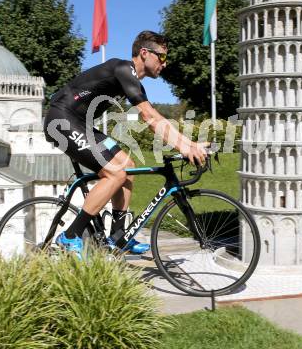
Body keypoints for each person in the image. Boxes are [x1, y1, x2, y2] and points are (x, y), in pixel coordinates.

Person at [44, 31, 207, 258]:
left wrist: (189, 143)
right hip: (61, 120)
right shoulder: (123, 69)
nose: (164, 63)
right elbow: (150, 118)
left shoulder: (132, 81)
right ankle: (71, 235)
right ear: (144, 53)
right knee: (115, 173)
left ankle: (119, 237)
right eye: (161, 56)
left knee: (127, 167)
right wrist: (185, 148)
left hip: (80, 123)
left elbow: (152, 119)